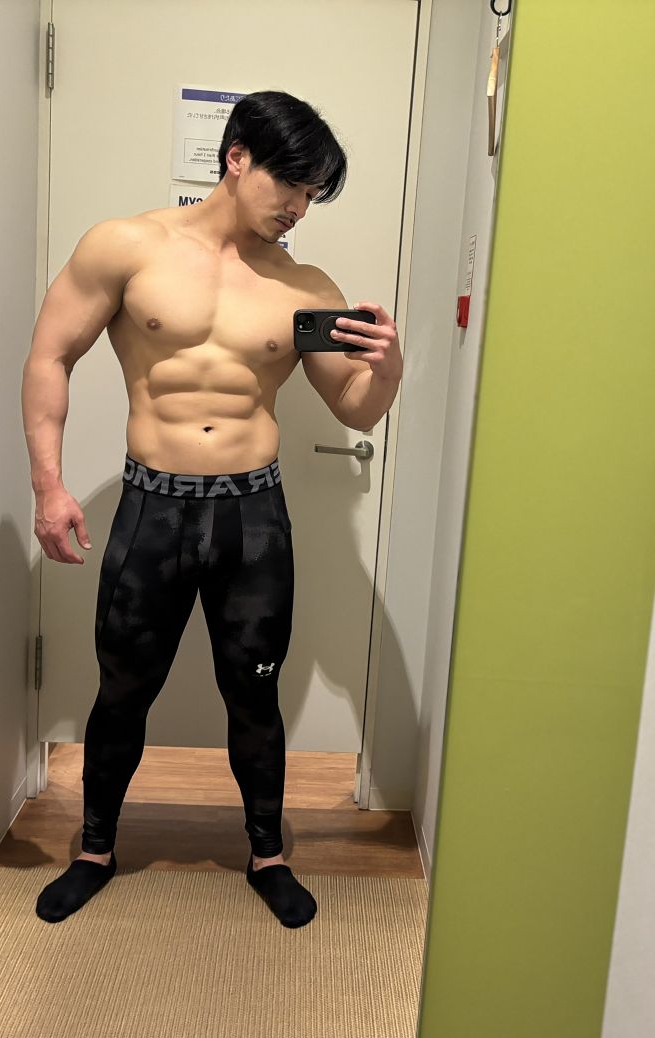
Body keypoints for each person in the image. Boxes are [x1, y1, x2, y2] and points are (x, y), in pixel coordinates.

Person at [21, 90, 403, 929]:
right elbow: (50, 356)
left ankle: (267, 856)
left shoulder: (306, 287)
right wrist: (49, 486)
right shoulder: (125, 247)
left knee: (254, 694)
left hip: (251, 519)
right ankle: (94, 850)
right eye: (289, 184)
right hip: (151, 512)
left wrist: (388, 368)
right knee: (123, 690)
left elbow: (354, 409)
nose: (298, 206)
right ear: (236, 158)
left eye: (312, 193)